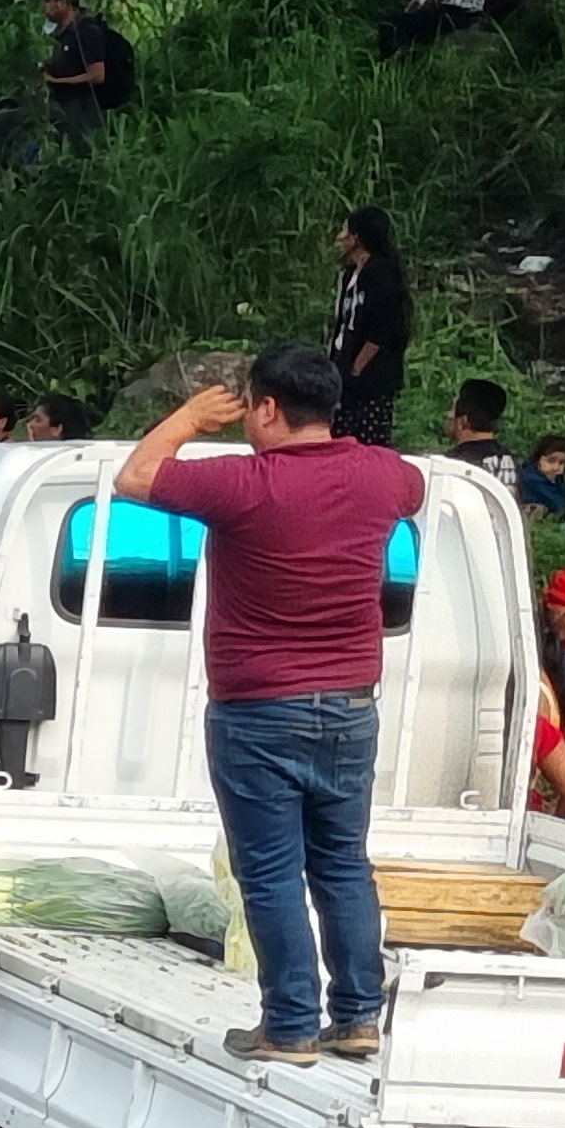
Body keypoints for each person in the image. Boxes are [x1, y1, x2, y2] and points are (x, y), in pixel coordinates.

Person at [117, 343, 428, 1061]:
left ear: (265, 407)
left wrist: (189, 418)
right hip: (351, 705)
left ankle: (289, 1025)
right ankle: (357, 1016)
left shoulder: (243, 483)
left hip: (258, 707)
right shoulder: (384, 476)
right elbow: (412, 487)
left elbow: (136, 476)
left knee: (270, 871)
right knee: (343, 862)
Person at [330, 208, 412, 447]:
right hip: (344, 371)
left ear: (357, 238)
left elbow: (383, 329)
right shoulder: (351, 275)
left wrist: (357, 368)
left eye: (345, 231)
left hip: (369, 381)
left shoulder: (380, 274)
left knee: (365, 444)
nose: (340, 237)